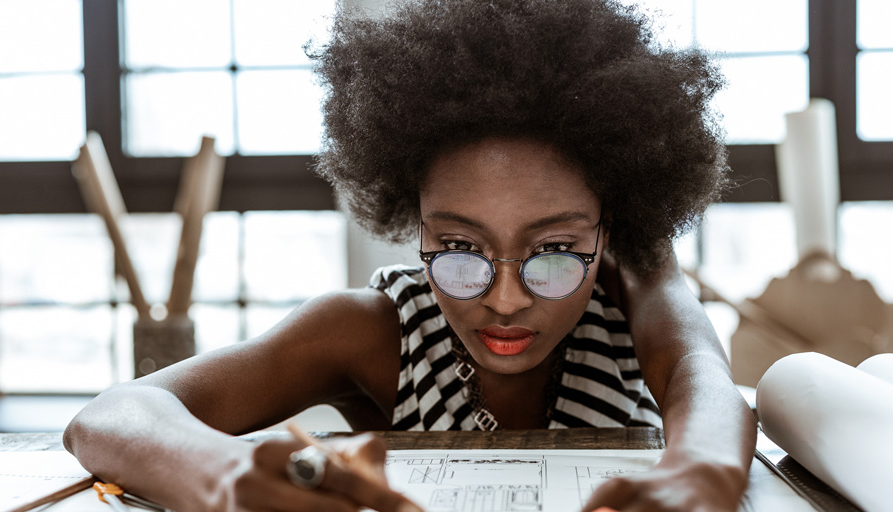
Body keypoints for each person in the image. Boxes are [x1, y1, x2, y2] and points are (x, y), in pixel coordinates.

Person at [63, 0, 756, 511]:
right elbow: (111, 417)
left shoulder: (636, 282)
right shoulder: (370, 330)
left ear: (610, 231)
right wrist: (218, 477)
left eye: (554, 250)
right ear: (413, 218)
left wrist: (704, 470)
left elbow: (702, 372)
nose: (506, 299)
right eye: (458, 246)